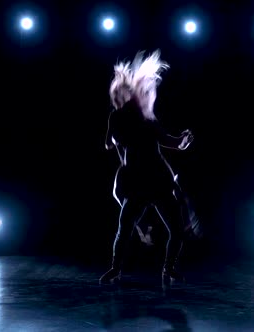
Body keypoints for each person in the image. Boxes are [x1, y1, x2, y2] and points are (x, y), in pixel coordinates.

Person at [100, 50, 194, 285]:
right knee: (125, 227)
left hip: (159, 179)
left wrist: (183, 140)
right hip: (136, 180)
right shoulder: (117, 117)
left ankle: (168, 269)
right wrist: (118, 138)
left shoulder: (148, 120)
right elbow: (108, 143)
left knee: (177, 229)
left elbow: (170, 142)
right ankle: (115, 268)